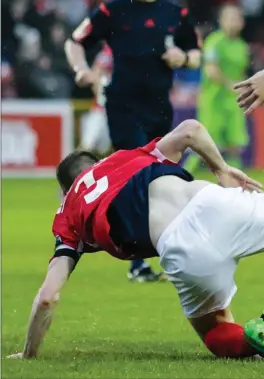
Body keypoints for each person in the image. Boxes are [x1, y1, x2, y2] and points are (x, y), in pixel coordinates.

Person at [8, 119, 264, 360]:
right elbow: (191, 129)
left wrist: (29, 354)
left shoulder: (68, 212)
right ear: (100, 161)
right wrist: (221, 168)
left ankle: (256, 337)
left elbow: (47, 297)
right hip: (213, 202)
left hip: (183, 248)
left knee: (216, 331)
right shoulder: (127, 157)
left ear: (64, 191)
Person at [64, 0, 201, 282]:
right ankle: (139, 259)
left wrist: (183, 59)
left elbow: (197, 53)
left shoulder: (175, 13)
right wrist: (81, 69)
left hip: (159, 107)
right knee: (139, 178)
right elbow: (75, 41)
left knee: (161, 180)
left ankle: (158, 249)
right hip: (122, 106)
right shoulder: (112, 11)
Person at [185, 5, 250, 174]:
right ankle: (183, 174)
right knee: (205, 143)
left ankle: (238, 183)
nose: (233, 23)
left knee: (235, 143)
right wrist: (233, 85)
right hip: (214, 99)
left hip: (234, 100)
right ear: (221, 21)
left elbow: (242, 72)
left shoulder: (242, 46)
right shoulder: (214, 41)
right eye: (230, 18)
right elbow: (211, 70)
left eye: (237, 19)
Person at [79, 43, 112, 155]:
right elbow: (96, 74)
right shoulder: (108, 52)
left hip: (115, 110)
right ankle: (76, 170)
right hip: (101, 109)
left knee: (103, 148)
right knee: (88, 144)